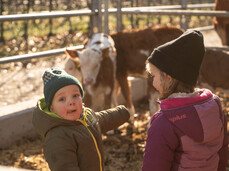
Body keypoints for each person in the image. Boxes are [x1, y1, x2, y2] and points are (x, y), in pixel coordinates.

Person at [142, 30, 228, 171]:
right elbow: (222, 154)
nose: (153, 83)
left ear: (167, 78)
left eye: (154, 76)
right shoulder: (215, 108)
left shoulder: (164, 122)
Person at [32, 67, 130, 171]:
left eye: (75, 95)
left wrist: (122, 112)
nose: (71, 102)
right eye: (62, 99)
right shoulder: (58, 137)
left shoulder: (86, 116)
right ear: (52, 108)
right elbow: (64, 167)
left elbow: (103, 119)